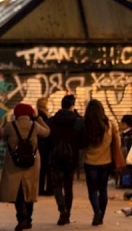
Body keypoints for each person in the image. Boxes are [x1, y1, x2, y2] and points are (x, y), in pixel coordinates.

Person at [0, 103, 50, 231]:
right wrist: (38, 118)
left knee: (18, 190)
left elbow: (3, 137)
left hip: (14, 162)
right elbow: (47, 132)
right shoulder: (35, 126)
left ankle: (22, 218)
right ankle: (28, 219)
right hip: (32, 162)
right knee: (29, 189)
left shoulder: (10, 126)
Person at [46, 94, 85, 225]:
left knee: (57, 186)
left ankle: (62, 209)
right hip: (71, 157)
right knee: (69, 186)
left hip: (55, 157)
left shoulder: (51, 121)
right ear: (72, 106)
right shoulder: (78, 121)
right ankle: (67, 213)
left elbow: (47, 139)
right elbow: (81, 142)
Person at [83, 99, 117, 226]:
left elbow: (82, 144)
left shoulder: (86, 125)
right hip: (106, 162)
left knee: (92, 190)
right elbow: (115, 143)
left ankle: (96, 211)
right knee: (103, 189)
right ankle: (101, 216)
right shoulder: (110, 125)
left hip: (90, 162)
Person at [35, 97, 52, 196]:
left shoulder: (38, 115)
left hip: (40, 145)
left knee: (41, 168)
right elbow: (46, 130)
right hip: (44, 145)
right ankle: (43, 189)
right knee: (44, 168)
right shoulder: (42, 116)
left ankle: (40, 188)